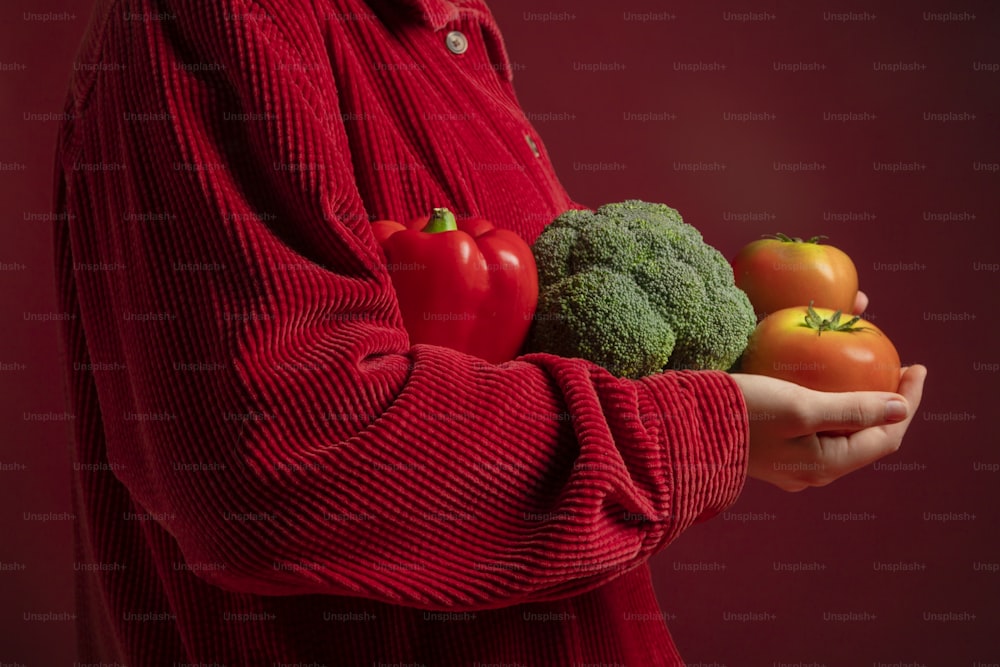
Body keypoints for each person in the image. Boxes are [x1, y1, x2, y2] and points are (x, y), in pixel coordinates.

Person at [52, 0, 926, 664]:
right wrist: (712, 429)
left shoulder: (456, 28)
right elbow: (278, 464)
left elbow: (550, 355)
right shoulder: (217, 23)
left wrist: (760, 347)